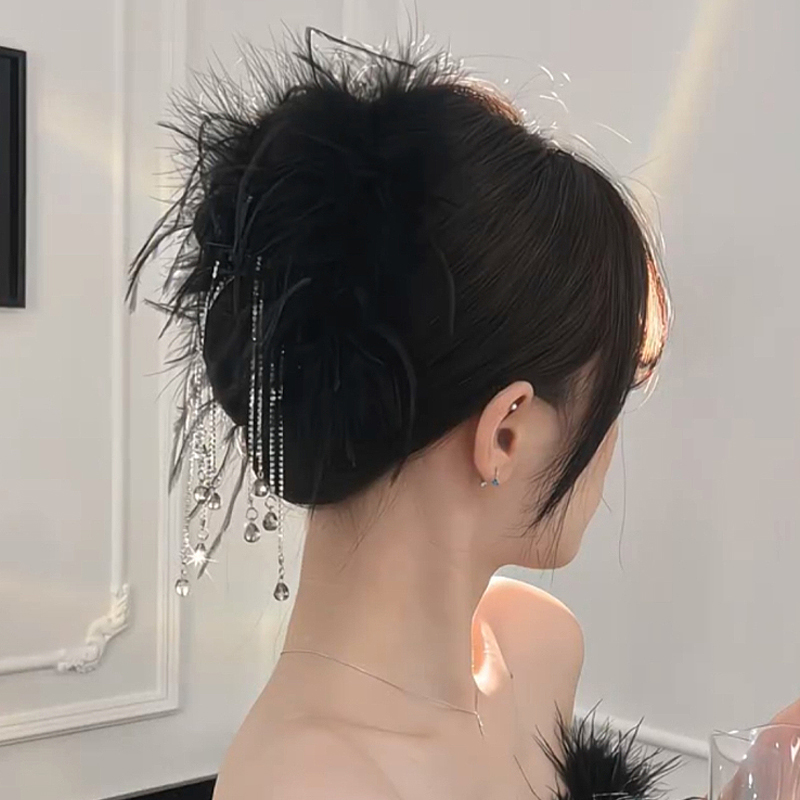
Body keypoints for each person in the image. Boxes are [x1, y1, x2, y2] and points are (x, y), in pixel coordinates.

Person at [129, 29, 798, 800]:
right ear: (506, 432)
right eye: (611, 398)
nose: (611, 442)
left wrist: (765, 770)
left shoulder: (535, 647)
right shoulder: (307, 785)